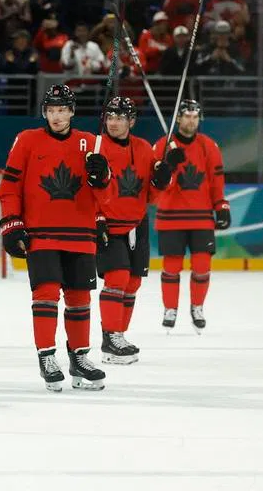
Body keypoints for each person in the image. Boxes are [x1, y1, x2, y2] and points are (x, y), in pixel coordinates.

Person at [0, 83, 112, 391]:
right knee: (45, 295)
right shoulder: (27, 140)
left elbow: (106, 196)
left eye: (62, 110)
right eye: (51, 110)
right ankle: (47, 356)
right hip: (42, 233)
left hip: (80, 233)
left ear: (72, 112)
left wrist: (103, 177)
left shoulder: (91, 143)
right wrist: (11, 223)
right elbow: (9, 187)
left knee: (79, 298)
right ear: (44, 112)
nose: (56, 116)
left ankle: (80, 357)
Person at [95, 97, 178, 364]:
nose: (114, 123)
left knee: (133, 283)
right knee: (116, 278)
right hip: (108, 224)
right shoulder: (96, 147)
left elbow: (151, 195)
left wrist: (163, 178)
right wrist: (96, 217)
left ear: (131, 121)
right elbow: (87, 188)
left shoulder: (143, 149)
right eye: (110, 117)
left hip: (137, 224)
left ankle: (118, 336)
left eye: (120, 118)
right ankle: (110, 337)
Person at [151, 100, 227, 332]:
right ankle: (170, 309)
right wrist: (169, 167)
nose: (191, 121)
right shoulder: (163, 146)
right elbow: (156, 186)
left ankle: (197, 307)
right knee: (171, 267)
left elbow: (216, 180)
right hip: (170, 215)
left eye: (195, 117)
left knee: (202, 265)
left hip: (201, 215)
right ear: (179, 119)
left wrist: (221, 205)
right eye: (187, 116)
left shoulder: (208, 146)